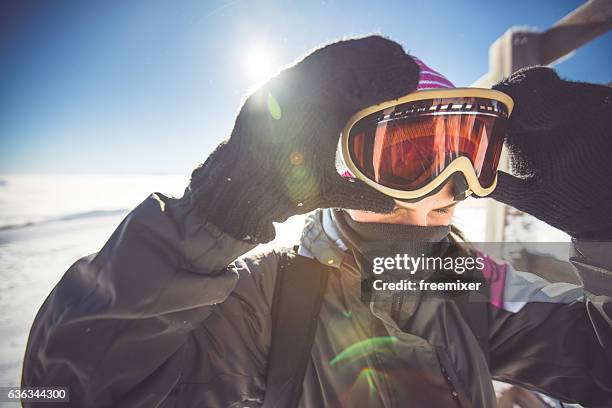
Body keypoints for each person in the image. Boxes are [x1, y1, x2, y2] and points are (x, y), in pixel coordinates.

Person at [21, 36, 612, 408]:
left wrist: (604, 225)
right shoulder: (266, 299)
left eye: (469, 150)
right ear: (342, 167)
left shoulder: (466, 285)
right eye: (410, 155)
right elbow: (66, 391)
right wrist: (219, 212)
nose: (448, 186)